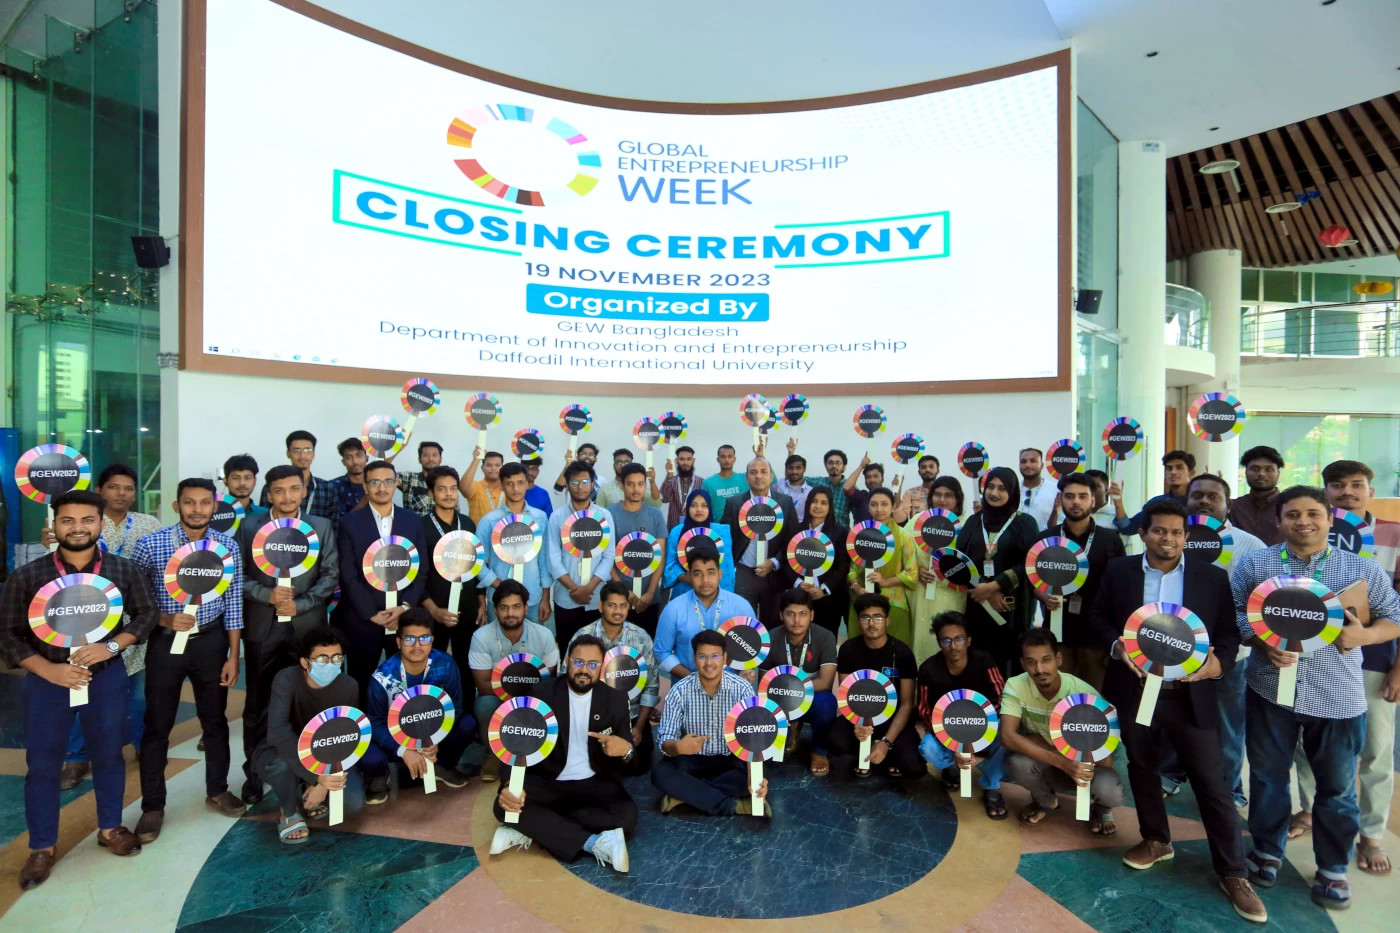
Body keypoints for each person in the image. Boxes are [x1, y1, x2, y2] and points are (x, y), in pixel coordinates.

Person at [1087, 499, 1265, 922]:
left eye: (1176, 532)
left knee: (1212, 783)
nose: (1168, 539)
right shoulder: (1119, 571)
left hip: (1190, 694)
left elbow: (1228, 634)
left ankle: (1233, 873)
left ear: (1186, 536)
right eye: (1159, 531)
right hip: (1136, 690)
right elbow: (1097, 616)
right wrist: (1116, 646)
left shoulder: (1211, 577)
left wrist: (1218, 664)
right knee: (1143, 768)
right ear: (1143, 533)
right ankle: (1156, 840)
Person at [1232, 486, 1400, 910]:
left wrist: (1365, 636)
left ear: (1329, 519)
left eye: (1312, 513)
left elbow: (1394, 617)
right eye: (1292, 514)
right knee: (1268, 778)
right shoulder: (1256, 564)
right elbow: (1233, 614)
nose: (1303, 521)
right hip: (1270, 690)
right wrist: (1260, 640)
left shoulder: (1360, 569)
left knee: (1337, 788)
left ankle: (1333, 868)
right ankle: (1266, 851)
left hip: (1338, 695)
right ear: (1279, 520)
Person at [0, 489, 157, 887]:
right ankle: (42, 847)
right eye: (67, 520)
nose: (77, 528)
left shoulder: (122, 570)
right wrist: (48, 671)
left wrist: (111, 646)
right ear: (54, 525)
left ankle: (110, 828)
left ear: (100, 523)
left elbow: (147, 614)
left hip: (105, 677)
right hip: (47, 682)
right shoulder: (29, 576)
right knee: (43, 763)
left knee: (109, 754)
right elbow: (9, 635)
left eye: (87, 520)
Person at [1292, 460, 1400, 875]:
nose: (1348, 492)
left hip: (1375, 659)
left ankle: (1371, 834)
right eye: (1337, 485)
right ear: (1326, 492)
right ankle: (1308, 808)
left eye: (1357, 484)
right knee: (1309, 742)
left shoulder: (1393, 534)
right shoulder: (1309, 530)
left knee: (1375, 749)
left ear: (1370, 490)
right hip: (1313, 656)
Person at [132, 478, 247, 843]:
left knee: (214, 720)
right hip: (165, 644)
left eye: (204, 503)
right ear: (176, 505)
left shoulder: (228, 546)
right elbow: (134, 597)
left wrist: (233, 655)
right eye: (189, 502)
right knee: (157, 725)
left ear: (214, 506)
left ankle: (218, 789)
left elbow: (233, 602)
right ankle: (152, 806)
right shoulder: (151, 545)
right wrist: (163, 619)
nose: (197, 509)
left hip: (211, 642)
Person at [1158, 473, 1266, 805]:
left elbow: (1262, 600)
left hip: (1229, 655)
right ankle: (1170, 773)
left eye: (1213, 496)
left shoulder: (1251, 546)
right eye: (1197, 496)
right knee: (1174, 716)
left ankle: (1229, 789)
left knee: (1228, 725)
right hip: (1175, 647)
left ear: (1228, 505)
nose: (1204, 501)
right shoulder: (1173, 539)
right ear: (1186, 502)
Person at [235, 464, 339, 804]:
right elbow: (237, 575)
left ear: (304, 491)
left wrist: (302, 604)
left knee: (308, 700)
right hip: (262, 627)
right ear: (269, 494)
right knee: (258, 703)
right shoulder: (250, 526)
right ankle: (254, 772)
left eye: (294, 489)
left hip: (306, 627)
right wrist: (266, 595)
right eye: (279, 490)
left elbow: (330, 574)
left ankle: (308, 773)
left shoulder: (320, 526)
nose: (287, 496)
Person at [57, 464, 163, 790]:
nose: (121, 494)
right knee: (80, 690)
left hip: (135, 623)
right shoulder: (83, 523)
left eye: (128, 488)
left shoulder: (149, 524)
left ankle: (143, 746)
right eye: (114, 487)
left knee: (137, 694)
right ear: (100, 490)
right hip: (87, 620)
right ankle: (76, 758)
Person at [491, 633, 636, 871]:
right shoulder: (540, 694)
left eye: (593, 664)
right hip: (548, 780)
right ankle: (593, 843)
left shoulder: (616, 699)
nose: (584, 670)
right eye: (578, 662)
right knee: (504, 807)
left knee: (627, 818)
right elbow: (514, 743)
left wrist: (626, 750)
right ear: (567, 661)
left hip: (594, 781)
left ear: (602, 667)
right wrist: (508, 784)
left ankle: (535, 829)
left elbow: (629, 754)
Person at [252, 626, 390, 844]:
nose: (331, 664)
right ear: (305, 662)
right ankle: (288, 811)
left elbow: (347, 736)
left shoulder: (348, 686)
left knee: (353, 804)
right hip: (283, 749)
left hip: (326, 751)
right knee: (280, 765)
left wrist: (323, 783)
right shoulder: (285, 680)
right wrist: (315, 777)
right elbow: (278, 733)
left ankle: (305, 788)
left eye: (337, 658)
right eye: (322, 659)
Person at [1000, 629, 1123, 835]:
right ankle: (1046, 801)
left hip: (1088, 766)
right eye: (1031, 662)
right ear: (1022, 664)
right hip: (1052, 763)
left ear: (1058, 659)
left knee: (1109, 790)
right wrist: (1064, 762)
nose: (1039, 669)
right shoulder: (1015, 685)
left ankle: (1102, 809)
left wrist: (1076, 764)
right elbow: (1007, 737)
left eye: (1046, 660)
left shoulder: (1083, 693)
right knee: (1018, 762)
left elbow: (1106, 760)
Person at [653, 630, 769, 815]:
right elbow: (665, 737)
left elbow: (753, 737)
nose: (709, 663)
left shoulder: (742, 689)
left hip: (730, 758)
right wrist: (678, 747)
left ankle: (686, 795)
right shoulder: (679, 691)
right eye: (702, 656)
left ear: (725, 658)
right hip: (692, 758)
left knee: (754, 776)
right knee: (660, 774)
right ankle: (734, 806)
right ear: (694, 659)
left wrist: (754, 776)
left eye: (715, 656)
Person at [335, 459, 426, 697]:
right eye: (374, 482)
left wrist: (404, 607)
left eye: (387, 481)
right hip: (364, 619)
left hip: (403, 618)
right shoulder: (349, 523)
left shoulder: (413, 521)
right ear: (365, 487)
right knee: (361, 681)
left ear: (396, 484)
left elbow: (421, 570)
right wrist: (371, 613)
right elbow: (348, 573)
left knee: (406, 682)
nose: (382, 487)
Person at [1030, 472, 1125, 689]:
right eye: (1070, 496)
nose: (1076, 502)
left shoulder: (1110, 540)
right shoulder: (1046, 539)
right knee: (1058, 694)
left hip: (1096, 636)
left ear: (1093, 500)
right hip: (1058, 633)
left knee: (1093, 696)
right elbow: (1030, 580)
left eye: (1083, 496)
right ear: (1060, 499)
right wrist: (1042, 595)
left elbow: (1119, 587)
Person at [365, 609, 475, 796]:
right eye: (409, 639)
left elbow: (455, 708)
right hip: (397, 737)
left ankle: (441, 765)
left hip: (433, 732)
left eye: (424, 639)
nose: (417, 646)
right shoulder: (383, 677)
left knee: (467, 724)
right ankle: (381, 775)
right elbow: (375, 723)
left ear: (432, 640)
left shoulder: (446, 664)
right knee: (370, 757)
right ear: (399, 642)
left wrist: (434, 740)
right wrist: (403, 750)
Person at [915, 611, 1008, 819]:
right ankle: (950, 767)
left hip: (985, 727)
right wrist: (954, 744)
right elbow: (924, 710)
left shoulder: (984, 661)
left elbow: (1002, 698)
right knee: (928, 747)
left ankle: (991, 785)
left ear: (968, 641)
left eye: (959, 639)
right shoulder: (929, 669)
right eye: (946, 640)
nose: (953, 646)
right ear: (939, 643)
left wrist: (975, 736)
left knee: (1008, 734)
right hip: (947, 730)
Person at [468, 580, 560, 782]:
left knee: (554, 701)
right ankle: (494, 754)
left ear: (526, 608)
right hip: (497, 698)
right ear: (495, 610)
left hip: (534, 698)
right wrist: (514, 696)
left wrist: (523, 699)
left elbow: (548, 682)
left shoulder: (544, 635)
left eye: (516, 607)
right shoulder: (481, 637)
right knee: (484, 705)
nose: (510, 613)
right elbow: (483, 685)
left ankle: (538, 751)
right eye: (504, 608)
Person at [829, 593, 923, 778]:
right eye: (865, 618)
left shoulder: (902, 653)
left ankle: (885, 751)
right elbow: (846, 696)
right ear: (858, 621)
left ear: (887, 621)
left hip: (893, 719)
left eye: (878, 617)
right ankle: (867, 752)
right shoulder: (848, 650)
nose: (871, 623)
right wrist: (858, 725)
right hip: (859, 715)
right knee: (835, 741)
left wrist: (887, 741)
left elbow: (906, 704)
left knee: (914, 768)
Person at [955, 466, 1039, 671]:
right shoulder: (974, 522)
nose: (994, 493)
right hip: (978, 603)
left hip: (1013, 606)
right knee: (979, 659)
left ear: (1012, 492)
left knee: (1011, 659)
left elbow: (1030, 562)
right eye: (990, 487)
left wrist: (995, 586)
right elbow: (960, 561)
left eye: (1002, 488)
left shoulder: (1025, 523)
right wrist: (986, 589)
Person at [575, 581, 659, 772]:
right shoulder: (583, 636)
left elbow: (651, 687)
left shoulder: (641, 638)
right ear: (601, 606)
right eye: (612, 605)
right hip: (593, 716)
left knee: (640, 766)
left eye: (623, 606)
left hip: (632, 715)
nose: (618, 611)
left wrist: (639, 727)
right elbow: (569, 680)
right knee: (590, 767)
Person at [760, 588, 839, 775]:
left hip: (813, 697)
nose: (796, 620)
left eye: (802, 614)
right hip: (780, 699)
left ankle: (819, 751)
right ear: (781, 615)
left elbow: (826, 682)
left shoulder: (825, 637)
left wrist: (792, 692)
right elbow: (764, 685)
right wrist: (785, 698)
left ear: (811, 615)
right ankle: (789, 729)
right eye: (790, 614)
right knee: (772, 761)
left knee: (827, 703)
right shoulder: (769, 638)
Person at [721, 457, 799, 627]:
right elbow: (726, 540)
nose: (758, 476)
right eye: (753, 472)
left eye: (763, 472)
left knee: (773, 625)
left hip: (774, 575)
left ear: (771, 476)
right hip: (743, 573)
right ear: (746, 477)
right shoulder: (734, 504)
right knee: (742, 625)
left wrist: (775, 562)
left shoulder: (785, 503)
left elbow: (792, 539)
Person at [418, 465, 485, 661]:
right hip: (434, 610)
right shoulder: (420, 526)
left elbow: (476, 565)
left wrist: (481, 602)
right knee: (433, 664)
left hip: (468, 607)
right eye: (442, 489)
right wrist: (434, 610)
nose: (449, 494)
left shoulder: (467, 523)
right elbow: (416, 575)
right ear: (431, 493)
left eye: (453, 488)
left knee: (467, 665)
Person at [548, 460, 615, 654]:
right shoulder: (557, 517)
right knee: (567, 651)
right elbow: (553, 558)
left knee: (596, 652)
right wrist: (574, 589)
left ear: (593, 484)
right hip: (566, 597)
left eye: (585, 482)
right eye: (574, 482)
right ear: (567, 485)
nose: (580, 487)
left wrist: (589, 588)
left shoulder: (605, 516)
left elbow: (608, 556)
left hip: (596, 597)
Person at [654, 552, 756, 679]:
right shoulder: (673, 609)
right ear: (689, 576)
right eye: (697, 574)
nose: (705, 580)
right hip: (687, 687)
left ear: (720, 574)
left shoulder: (742, 607)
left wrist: (746, 670)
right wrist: (693, 679)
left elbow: (752, 648)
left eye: (711, 572)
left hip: (732, 686)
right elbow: (661, 652)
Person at [480, 461, 553, 629]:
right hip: (499, 599)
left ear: (527, 483)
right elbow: (477, 562)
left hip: (533, 598)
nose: (515, 489)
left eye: (520, 483)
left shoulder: (540, 518)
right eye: (509, 484)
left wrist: (546, 597)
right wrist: (499, 584)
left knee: (532, 642)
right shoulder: (489, 521)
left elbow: (543, 560)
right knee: (498, 642)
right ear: (502, 485)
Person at [905, 476, 967, 663]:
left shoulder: (966, 525)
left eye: (948, 495)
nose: (942, 499)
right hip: (921, 591)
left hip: (951, 592)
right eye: (938, 494)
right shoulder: (917, 521)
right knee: (920, 639)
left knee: (950, 637)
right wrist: (917, 569)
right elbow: (903, 551)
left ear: (958, 499)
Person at [845, 486, 916, 645]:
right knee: (859, 653)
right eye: (874, 504)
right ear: (868, 507)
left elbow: (911, 573)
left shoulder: (903, 536)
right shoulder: (859, 535)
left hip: (893, 603)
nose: (879, 509)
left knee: (895, 653)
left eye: (884, 504)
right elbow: (852, 570)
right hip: (862, 601)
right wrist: (857, 588)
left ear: (893, 506)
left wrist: (885, 581)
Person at [607, 462, 667, 636]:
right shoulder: (609, 514)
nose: (636, 489)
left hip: (650, 598)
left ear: (645, 486)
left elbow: (660, 557)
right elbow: (606, 557)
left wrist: (650, 593)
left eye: (640, 484)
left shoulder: (656, 515)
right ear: (622, 485)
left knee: (647, 642)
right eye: (631, 484)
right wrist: (624, 591)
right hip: (618, 598)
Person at [782, 486, 850, 638]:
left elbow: (842, 567)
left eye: (823, 503)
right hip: (798, 598)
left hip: (828, 600)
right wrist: (798, 583)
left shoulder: (841, 533)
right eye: (814, 501)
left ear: (830, 507)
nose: (818, 506)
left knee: (826, 640)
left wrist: (824, 590)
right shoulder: (794, 530)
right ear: (808, 504)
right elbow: (785, 562)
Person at [662, 489, 736, 598]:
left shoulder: (721, 532)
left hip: (715, 592)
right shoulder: (677, 532)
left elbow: (727, 568)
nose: (699, 509)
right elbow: (670, 565)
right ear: (688, 508)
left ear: (709, 508)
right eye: (693, 505)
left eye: (704, 506)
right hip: (684, 591)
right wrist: (689, 579)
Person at [1110, 449, 1195, 536]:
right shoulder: (1157, 503)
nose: (1173, 472)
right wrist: (1118, 501)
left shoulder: (1200, 502)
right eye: (1169, 468)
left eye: (1179, 468)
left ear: (1191, 473)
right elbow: (1129, 528)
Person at [259, 430, 335, 521]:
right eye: (297, 450)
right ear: (288, 453)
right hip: (278, 530)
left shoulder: (328, 488)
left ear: (313, 454)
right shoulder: (273, 486)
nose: (303, 456)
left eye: (308, 450)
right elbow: (264, 520)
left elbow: (333, 525)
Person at [1229, 446, 1285, 546]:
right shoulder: (1232, 508)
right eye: (1255, 469)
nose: (1261, 474)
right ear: (1246, 472)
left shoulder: (1289, 506)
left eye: (1269, 469)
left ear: (1278, 474)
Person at [389, 440, 442, 516]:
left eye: (435, 455)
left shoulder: (448, 484)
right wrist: (397, 448)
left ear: (440, 460)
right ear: (419, 459)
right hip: (413, 523)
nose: (431, 459)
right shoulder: (409, 479)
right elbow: (382, 473)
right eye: (426, 455)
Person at [597, 448, 662, 509]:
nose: (623, 465)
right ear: (614, 465)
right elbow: (598, 514)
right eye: (619, 462)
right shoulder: (604, 490)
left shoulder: (641, 487)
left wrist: (652, 481)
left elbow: (657, 504)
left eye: (627, 462)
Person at [660, 444, 705, 526]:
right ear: (676, 461)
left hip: (695, 528)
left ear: (693, 460)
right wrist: (669, 475)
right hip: (674, 528)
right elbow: (664, 499)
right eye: (682, 459)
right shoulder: (671, 480)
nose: (685, 463)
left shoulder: (701, 482)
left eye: (689, 459)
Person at [807, 447, 852, 526]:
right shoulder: (818, 482)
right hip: (819, 531)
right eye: (830, 463)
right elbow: (794, 477)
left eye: (838, 463)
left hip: (842, 531)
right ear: (825, 465)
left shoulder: (850, 487)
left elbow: (857, 514)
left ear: (844, 466)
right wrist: (791, 452)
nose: (834, 466)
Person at [461, 447, 506, 525]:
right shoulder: (476, 486)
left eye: (497, 465)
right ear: (482, 468)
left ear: (503, 467)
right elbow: (463, 487)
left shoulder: (508, 488)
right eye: (488, 465)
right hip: (478, 532)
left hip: (504, 531)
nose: (493, 468)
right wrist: (476, 460)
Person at [892, 454, 941, 524]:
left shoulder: (945, 492)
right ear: (919, 472)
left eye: (931, 467)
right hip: (917, 530)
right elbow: (900, 519)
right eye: (923, 467)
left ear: (938, 470)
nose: (927, 469)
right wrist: (897, 490)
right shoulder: (911, 492)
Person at [327, 437, 368, 520]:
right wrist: (366, 499)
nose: (355, 461)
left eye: (359, 455)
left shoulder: (376, 483)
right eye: (349, 457)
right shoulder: (333, 486)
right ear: (343, 462)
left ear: (366, 458)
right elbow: (339, 522)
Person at [701, 444, 748, 515]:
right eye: (723, 457)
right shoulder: (708, 483)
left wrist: (760, 456)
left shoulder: (745, 478)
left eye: (729, 456)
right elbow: (703, 507)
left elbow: (766, 476)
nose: (726, 460)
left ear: (734, 459)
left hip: (740, 521)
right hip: (717, 522)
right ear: (718, 459)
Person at [1017, 448, 1056, 531]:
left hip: (1046, 538)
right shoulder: (1012, 490)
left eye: (1033, 461)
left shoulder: (1055, 490)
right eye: (1023, 461)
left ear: (1042, 465)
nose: (1028, 465)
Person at [842, 456, 886, 525]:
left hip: (884, 532)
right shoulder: (863, 496)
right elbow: (847, 488)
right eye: (868, 477)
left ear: (882, 478)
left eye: (875, 476)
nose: (872, 480)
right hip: (861, 532)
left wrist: (898, 487)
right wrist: (861, 466)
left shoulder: (889, 498)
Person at [773, 445, 814, 518]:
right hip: (778, 523)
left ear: (804, 469)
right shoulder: (779, 484)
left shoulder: (810, 492)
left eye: (798, 468)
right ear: (786, 469)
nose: (794, 471)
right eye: (791, 468)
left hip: (800, 524)